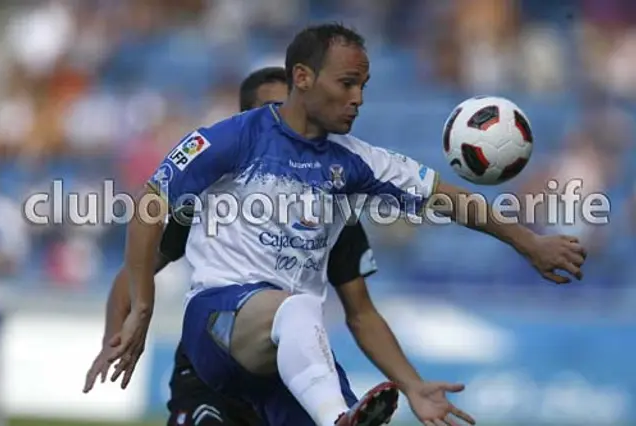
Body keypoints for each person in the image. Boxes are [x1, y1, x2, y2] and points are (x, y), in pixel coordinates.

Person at [107, 23, 587, 426]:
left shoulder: (356, 163)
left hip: (286, 358)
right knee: (297, 314)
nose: (358, 99)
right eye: (347, 84)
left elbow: (448, 198)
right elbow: (151, 203)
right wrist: (142, 309)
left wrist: (528, 242)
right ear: (303, 77)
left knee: (301, 325)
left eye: (364, 85)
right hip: (218, 322)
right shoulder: (234, 139)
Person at [84, 66, 380, 426]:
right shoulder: (211, 194)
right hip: (212, 367)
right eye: (274, 112)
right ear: (247, 121)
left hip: (286, 372)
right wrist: (119, 333)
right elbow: (131, 273)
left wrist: (413, 385)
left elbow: (362, 311)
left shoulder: (330, 207)